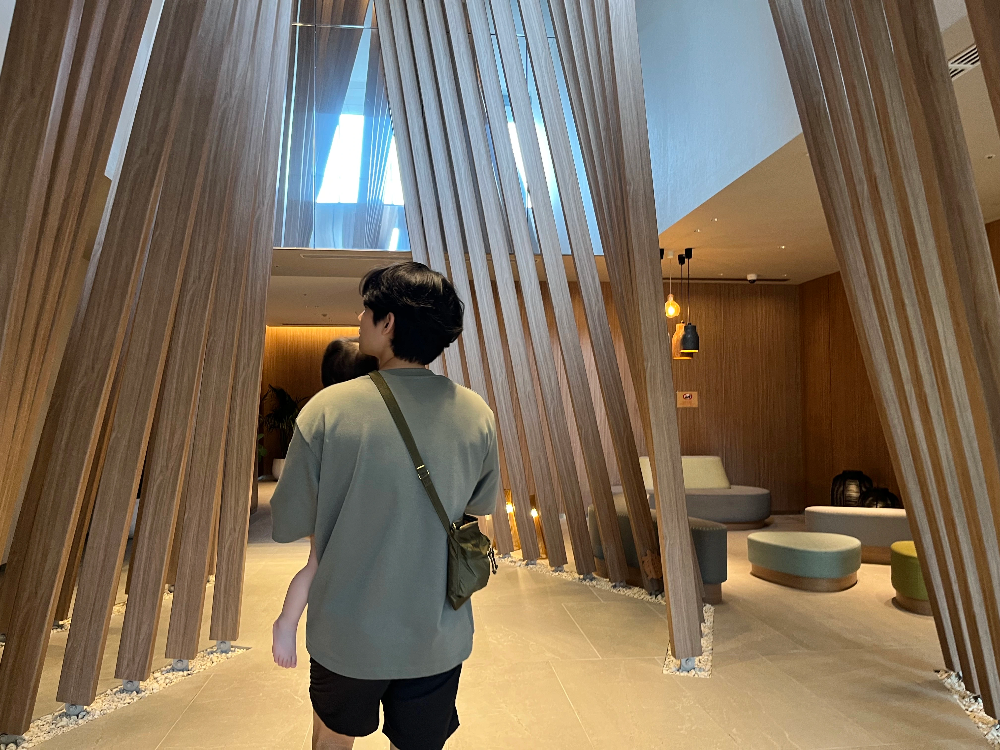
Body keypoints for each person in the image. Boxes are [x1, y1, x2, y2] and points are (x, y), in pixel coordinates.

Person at [269, 262, 500, 750]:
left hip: (347, 635)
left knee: (331, 740)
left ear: (388, 322)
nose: (359, 318)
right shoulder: (477, 414)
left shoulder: (326, 411)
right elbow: (478, 510)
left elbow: (288, 521)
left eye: (366, 310)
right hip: (436, 633)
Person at [272, 337, 378, 669]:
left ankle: (287, 623)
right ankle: (287, 623)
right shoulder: (369, 414)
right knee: (329, 565)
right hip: (350, 506)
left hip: (328, 504)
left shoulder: (321, 412)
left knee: (316, 564)